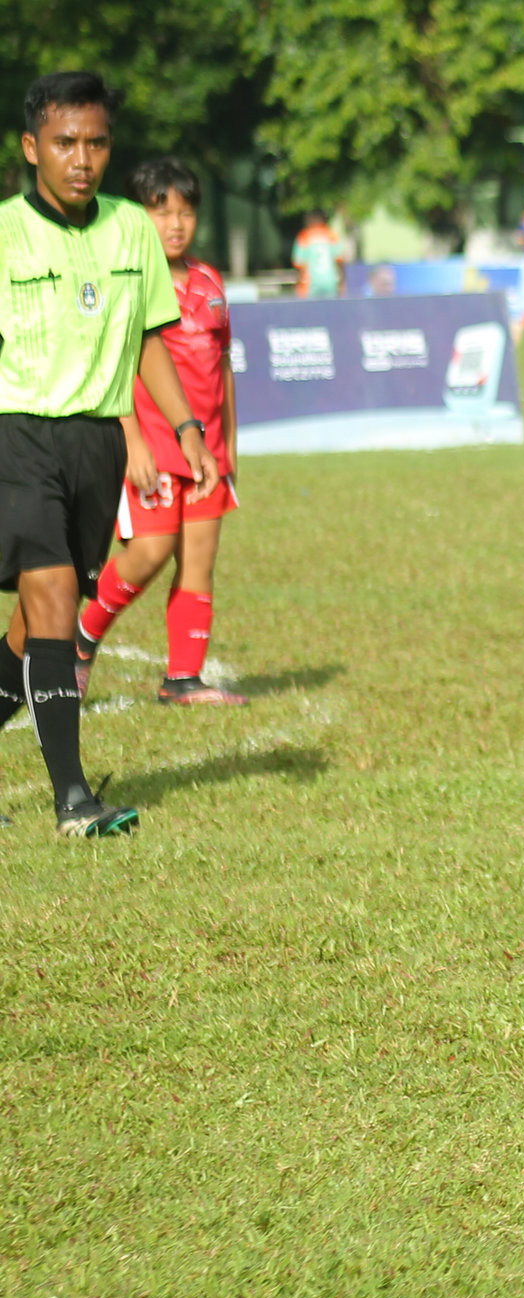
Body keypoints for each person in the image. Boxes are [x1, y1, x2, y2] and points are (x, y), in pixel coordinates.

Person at [0, 72, 214, 836]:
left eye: (95, 143)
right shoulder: (4, 234)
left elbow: (150, 336)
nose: (81, 158)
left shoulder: (130, 229)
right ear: (33, 148)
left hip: (96, 442)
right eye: (64, 142)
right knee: (56, 594)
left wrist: (187, 430)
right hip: (18, 432)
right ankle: (74, 801)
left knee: (33, 627)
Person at [74, 157, 245, 707]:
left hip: (206, 455)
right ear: (135, 216)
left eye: (187, 211)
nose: (175, 223)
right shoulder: (126, 281)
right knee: (149, 552)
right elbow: (114, 363)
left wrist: (230, 448)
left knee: (199, 560)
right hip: (149, 447)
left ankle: (182, 681)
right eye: (161, 211)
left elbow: (222, 368)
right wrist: (132, 440)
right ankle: (80, 641)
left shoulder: (211, 283)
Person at [291, 210, 344, 298]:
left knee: (311, 310)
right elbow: (339, 260)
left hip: (310, 283)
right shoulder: (331, 234)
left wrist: (298, 283)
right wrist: (341, 281)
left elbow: (299, 263)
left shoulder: (304, 236)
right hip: (330, 282)